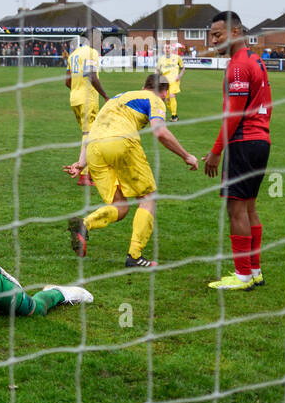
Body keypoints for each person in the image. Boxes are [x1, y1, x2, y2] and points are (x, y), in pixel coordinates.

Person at [64, 74, 199, 268]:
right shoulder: (154, 99)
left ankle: (84, 225)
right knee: (148, 197)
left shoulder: (117, 98)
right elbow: (160, 131)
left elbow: (93, 130)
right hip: (120, 141)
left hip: (94, 148)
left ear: (143, 85)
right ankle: (135, 256)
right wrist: (187, 156)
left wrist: (81, 162)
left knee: (121, 206)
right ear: (164, 93)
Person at [203, 11, 271, 290]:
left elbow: (234, 113)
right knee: (250, 207)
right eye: (211, 35)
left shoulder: (238, 65)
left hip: (243, 142)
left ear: (235, 32)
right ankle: (254, 271)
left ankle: (242, 275)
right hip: (261, 141)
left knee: (236, 209)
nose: (213, 40)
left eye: (217, 35)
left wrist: (216, 150)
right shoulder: (254, 59)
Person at [65, 32, 109, 187]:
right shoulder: (92, 53)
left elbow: (67, 81)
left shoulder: (74, 54)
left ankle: (88, 172)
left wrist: (77, 88)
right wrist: (105, 96)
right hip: (87, 99)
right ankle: (84, 176)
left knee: (88, 135)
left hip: (74, 99)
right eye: (100, 39)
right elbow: (91, 75)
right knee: (90, 136)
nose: (101, 42)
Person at [157, 43, 184, 121]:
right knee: (167, 100)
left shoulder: (177, 57)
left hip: (174, 80)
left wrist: (179, 76)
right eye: (166, 48)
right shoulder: (161, 59)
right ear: (163, 49)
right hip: (163, 80)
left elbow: (183, 68)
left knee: (172, 95)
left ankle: (174, 116)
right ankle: (174, 114)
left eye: (168, 48)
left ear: (171, 49)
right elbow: (158, 70)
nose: (167, 49)